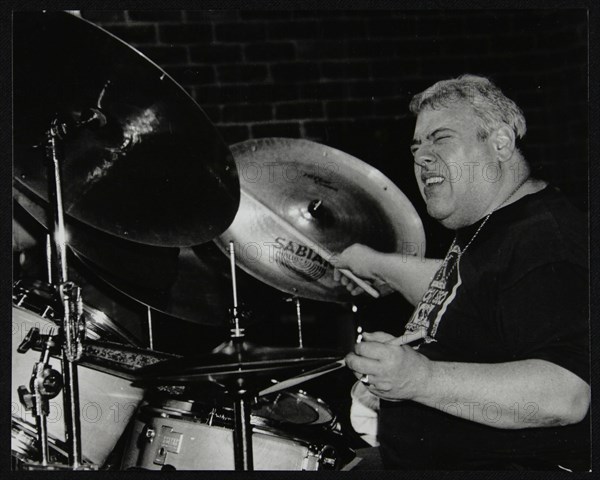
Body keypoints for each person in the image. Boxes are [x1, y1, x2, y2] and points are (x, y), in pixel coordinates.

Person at [333, 74, 590, 470]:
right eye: (417, 146)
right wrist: (376, 265)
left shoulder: (546, 243)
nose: (421, 157)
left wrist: (420, 380)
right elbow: (472, 295)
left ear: (500, 143)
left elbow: (566, 394)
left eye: (441, 138)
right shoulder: (495, 223)